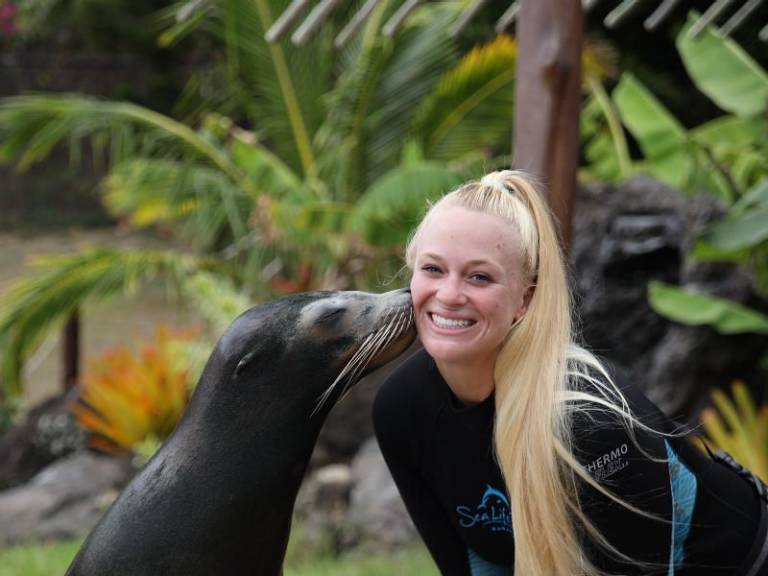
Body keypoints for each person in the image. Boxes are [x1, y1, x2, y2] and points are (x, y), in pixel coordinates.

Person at [373, 170, 768, 576]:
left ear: (524, 300)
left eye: (480, 277)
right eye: (433, 269)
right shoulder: (402, 410)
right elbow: (473, 566)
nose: (450, 295)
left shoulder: (594, 423)